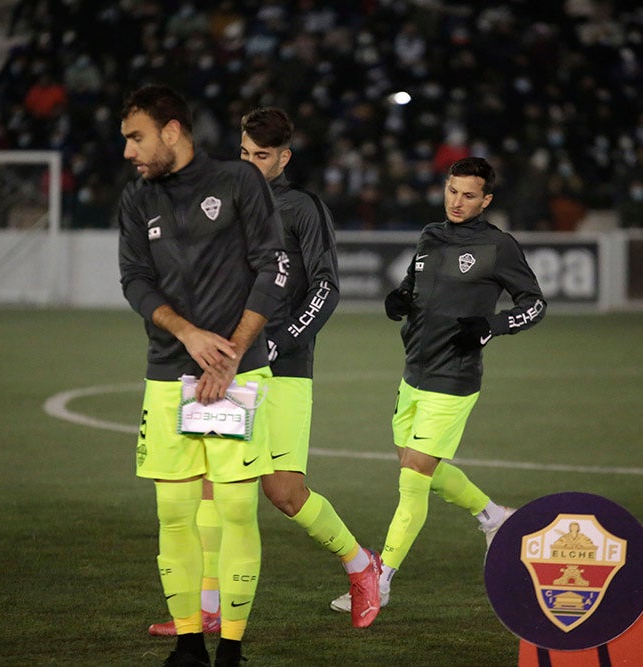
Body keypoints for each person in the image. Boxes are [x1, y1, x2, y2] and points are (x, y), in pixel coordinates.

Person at [148, 107, 381, 637]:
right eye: (245, 154)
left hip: (285, 368)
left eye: (263, 157)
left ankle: (361, 566)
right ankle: (209, 607)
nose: (252, 165)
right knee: (210, 486)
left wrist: (278, 342)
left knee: (283, 493)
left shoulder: (302, 209)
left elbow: (326, 287)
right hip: (225, 367)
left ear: (284, 157)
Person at [117, 84, 289, 667]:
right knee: (174, 512)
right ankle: (190, 640)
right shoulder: (137, 200)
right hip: (169, 373)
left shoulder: (239, 182)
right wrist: (188, 335)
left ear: (172, 130)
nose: (128, 152)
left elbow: (273, 266)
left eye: (135, 137)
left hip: (240, 375)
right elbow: (136, 282)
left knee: (238, 511)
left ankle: (233, 647)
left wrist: (232, 353)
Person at [331, 156, 546, 614]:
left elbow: (535, 304)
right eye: (452, 191)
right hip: (414, 371)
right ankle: (494, 516)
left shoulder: (497, 247)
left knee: (412, 481)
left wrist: (493, 325)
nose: (458, 201)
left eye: (469, 195)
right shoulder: (430, 235)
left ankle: (379, 581)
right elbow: (413, 286)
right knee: (417, 467)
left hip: (454, 377)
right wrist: (399, 301)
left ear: (486, 200)